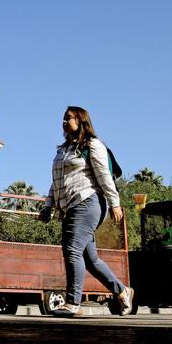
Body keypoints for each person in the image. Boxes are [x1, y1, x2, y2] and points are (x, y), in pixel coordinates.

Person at [41, 106, 133, 317]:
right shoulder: (63, 150)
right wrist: (48, 206)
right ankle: (122, 291)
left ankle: (73, 303)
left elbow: (104, 175)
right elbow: (56, 183)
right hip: (71, 207)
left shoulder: (93, 145)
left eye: (69, 118)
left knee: (72, 249)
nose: (64, 122)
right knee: (90, 260)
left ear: (81, 121)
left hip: (88, 202)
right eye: (63, 119)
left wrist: (115, 203)